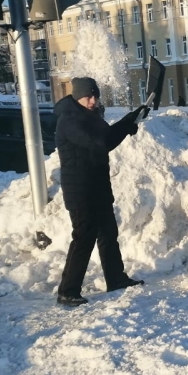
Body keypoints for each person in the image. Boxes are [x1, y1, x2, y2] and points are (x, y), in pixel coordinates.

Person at [55, 77, 146, 306]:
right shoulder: (69, 120)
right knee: (83, 237)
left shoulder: (91, 116)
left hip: (98, 186)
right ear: (78, 96)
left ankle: (115, 278)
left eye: (96, 96)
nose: (93, 101)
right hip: (80, 190)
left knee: (108, 233)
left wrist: (128, 121)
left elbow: (107, 137)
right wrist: (125, 126)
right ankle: (67, 290)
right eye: (89, 96)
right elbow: (100, 142)